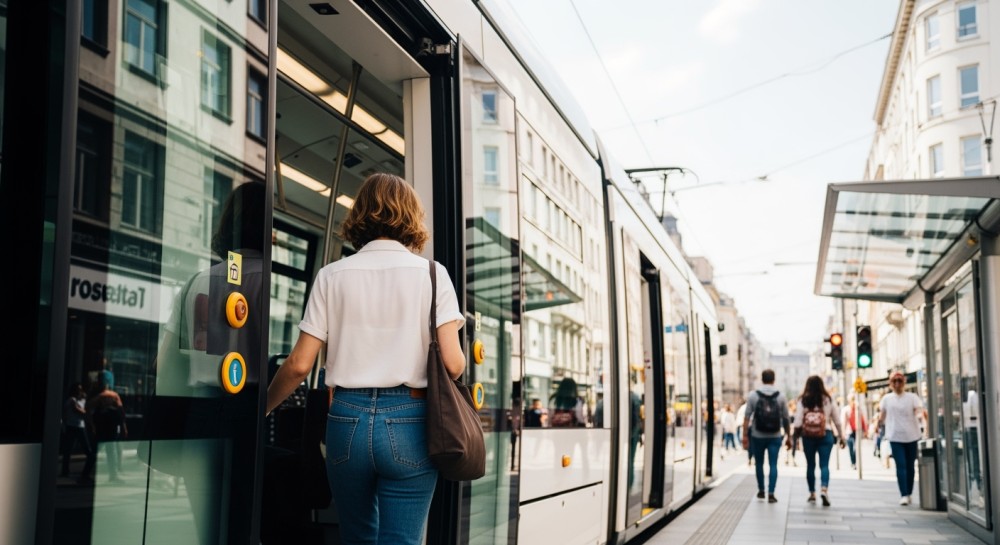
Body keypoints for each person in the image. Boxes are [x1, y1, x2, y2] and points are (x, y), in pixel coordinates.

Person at [265, 172, 466, 545]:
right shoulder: (434, 276)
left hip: (345, 420)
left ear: (360, 214)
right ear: (411, 217)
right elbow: (453, 366)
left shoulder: (331, 276)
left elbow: (299, 364)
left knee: (357, 536)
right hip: (411, 422)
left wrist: (260, 409)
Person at [791, 375, 845, 506]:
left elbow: (798, 420)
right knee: (824, 465)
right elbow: (837, 420)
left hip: (808, 435)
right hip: (825, 434)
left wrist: (795, 436)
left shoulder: (803, 400)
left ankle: (812, 493)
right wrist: (841, 436)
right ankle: (824, 489)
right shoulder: (828, 399)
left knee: (810, 465)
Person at [742, 369, 790, 503]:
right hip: (775, 435)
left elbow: (746, 417)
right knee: (773, 464)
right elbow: (786, 418)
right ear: (773, 379)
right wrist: (788, 436)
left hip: (757, 435)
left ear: (762, 379)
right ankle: (771, 493)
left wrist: (745, 435)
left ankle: (761, 490)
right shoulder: (780, 396)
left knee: (759, 463)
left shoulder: (753, 395)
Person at [877, 371, 926, 506]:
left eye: (900, 381)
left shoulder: (912, 397)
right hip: (895, 436)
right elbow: (882, 415)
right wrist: (879, 426)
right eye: (894, 381)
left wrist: (921, 419)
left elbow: (919, 411)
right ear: (890, 384)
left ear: (904, 382)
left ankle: (909, 492)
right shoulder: (887, 399)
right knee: (901, 465)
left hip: (912, 436)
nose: (897, 384)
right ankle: (904, 494)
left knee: (910, 466)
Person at [88, 376, 127, 483]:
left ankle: (85, 474)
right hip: (112, 428)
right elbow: (121, 413)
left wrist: (92, 425)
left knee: (95, 451)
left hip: (101, 427)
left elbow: (88, 409)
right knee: (112, 452)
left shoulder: (98, 397)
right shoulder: (114, 395)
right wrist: (123, 427)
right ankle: (113, 475)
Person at [60, 383, 95, 482]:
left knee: (77, 449)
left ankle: (67, 471)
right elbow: (78, 411)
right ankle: (65, 471)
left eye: (80, 389)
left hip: (79, 426)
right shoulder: (71, 400)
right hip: (73, 426)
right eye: (78, 389)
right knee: (69, 449)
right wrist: (86, 412)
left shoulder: (80, 400)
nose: (79, 391)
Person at [844, 396, 868, 470]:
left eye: (854, 399)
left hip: (856, 431)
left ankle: (855, 462)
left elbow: (862, 419)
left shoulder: (858, 409)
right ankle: (852, 462)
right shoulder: (846, 409)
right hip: (848, 431)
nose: (853, 401)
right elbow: (843, 422)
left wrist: (865, 430)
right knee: (851, 448)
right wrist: (843, 432)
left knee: (855, 448)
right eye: (852, 400)